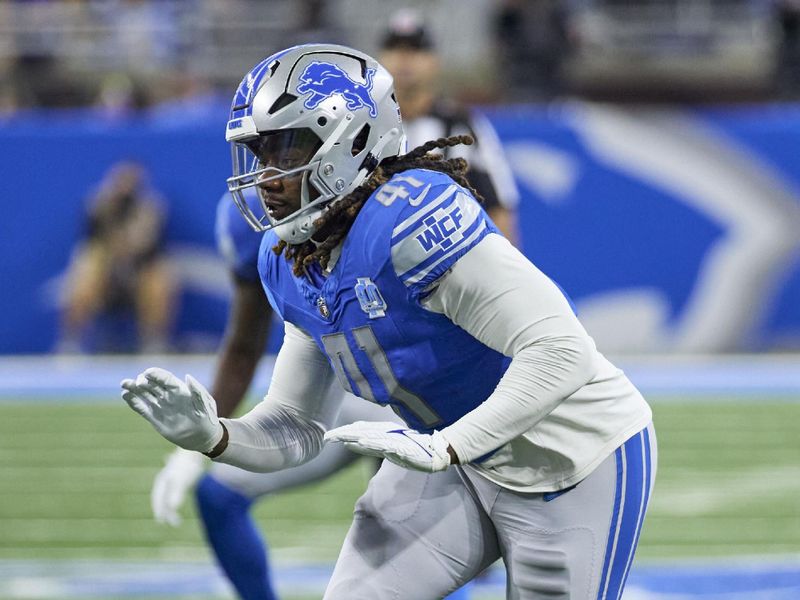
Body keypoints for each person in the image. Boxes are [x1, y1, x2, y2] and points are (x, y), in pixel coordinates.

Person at [122, 44, 656, 599]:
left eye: (286, 149)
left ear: (350, 142)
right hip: (451, 457)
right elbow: (296, 424)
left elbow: (561, 350)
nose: (267, 177)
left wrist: (449, 446)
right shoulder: (288, 260)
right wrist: (215, 436)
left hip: (568, 462)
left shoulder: (411, 220)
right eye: (259, 154)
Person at [150, 188, 398, 600]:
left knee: (406, 528)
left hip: (404, 393)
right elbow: (244, 343)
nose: (269, 169)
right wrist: (195, 447)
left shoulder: (375, 199)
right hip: (331, 395)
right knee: (218, 495)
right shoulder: (251, 217)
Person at [378, 10, 520, 243]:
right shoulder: (363, 125)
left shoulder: (462, 125)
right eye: (395, 49)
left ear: (434, 61)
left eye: (415, 50)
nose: (404, 58)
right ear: (381, 58)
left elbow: (498, 207)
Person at [59, 161, 176, 353]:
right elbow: (92, 243)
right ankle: (70, 342)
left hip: (138, 275)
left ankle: (154, 342)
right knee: (86, 265)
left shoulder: (151, 209)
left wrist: (134, 241)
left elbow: (151, 249)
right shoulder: (98, 205)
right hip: (105, 275)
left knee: (160, 276)